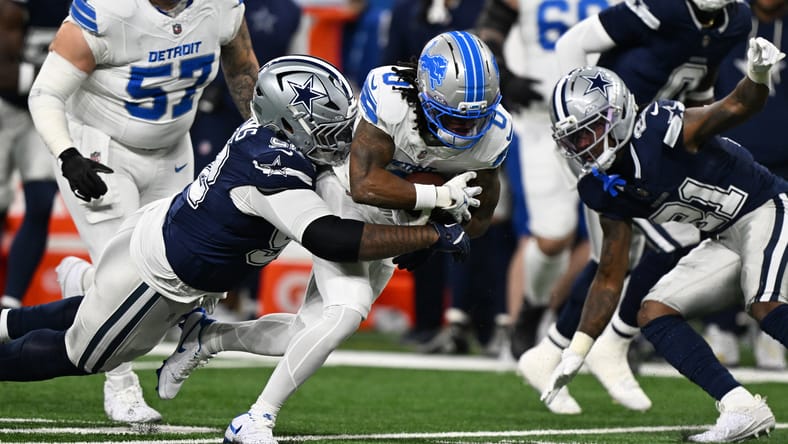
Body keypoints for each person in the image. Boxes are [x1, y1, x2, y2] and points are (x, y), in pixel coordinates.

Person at [0, 55, 472, 441]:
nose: (340, 138)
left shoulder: (286, 141)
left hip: (171, 257)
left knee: (95, 314)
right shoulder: (271, 165)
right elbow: (329, 237)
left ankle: (18, 316)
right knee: (85, 355)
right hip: (156, 280)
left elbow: (348, 187)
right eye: (327, 130)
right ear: (288, 125)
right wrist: (429, 230)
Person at [157, 30, 512, 444]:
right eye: (454, 117)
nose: (467, 128)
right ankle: (255, 419)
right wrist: (434, 201)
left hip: (400, 216)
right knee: (347, 309)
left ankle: (208, 337)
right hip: (342, 191)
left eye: (476, 117)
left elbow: (480, 217)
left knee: (307, 330)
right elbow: (364, 184)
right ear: (426, 92)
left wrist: (431, 231)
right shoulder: (392, 98)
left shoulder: (495, 134)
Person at [26, 0, 259, 424]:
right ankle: (120, 386)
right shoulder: (109, 10)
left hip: (172, 147)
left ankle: (80, 280)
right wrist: (67, 154)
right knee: (124, 281)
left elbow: (242, 69)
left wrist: (263, 133)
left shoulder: (218, 6)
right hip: (99, 150)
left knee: (177, 272)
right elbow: (45, 92)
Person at [542, 37, 785, 442]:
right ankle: (741, 406)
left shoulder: (662, 130)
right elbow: (609, 273)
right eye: (575, 140)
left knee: (764, 305)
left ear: (617, 116)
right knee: (653, 311)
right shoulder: (604, 187)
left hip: (767, 207)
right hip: (724, 236)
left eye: (589, 132)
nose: (583, 147)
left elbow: (737, 106)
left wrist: (757, 75)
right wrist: (577, 350)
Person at [517, 0, 752, 415]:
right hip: (602, 140)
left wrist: (700, 129)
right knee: (671, 237)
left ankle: (552, 350)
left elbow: (699, 80)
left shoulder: (736, 20)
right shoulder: (663, 8)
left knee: (614, 257)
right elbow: (573, 42)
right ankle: (613, 339)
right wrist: (573, 114)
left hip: (654, 142)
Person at [475, 0, 603, 366]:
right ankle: (533, 308)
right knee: (552, 236)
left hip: (608, 118)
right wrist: (501, 71)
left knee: (619, 233)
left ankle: (615, 335)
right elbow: (490, 27)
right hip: (544, 119)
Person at [706, 0, 788, 371]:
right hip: (731, 153)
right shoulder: (730, 20)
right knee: (724, 244)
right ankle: (720, 326)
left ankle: (769, 329)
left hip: (784, 156)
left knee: (781, 247)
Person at [0, 0, 67, 309]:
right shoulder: (14, 7)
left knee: (40, 203)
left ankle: (10, 305)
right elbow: (4, 72)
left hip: (44, 110)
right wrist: (59, 76)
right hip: (5, 108)